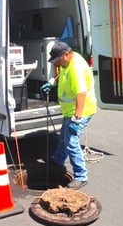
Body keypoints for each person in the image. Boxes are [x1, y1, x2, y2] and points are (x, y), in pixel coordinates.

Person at [41, 41, 97, 189]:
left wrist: (77, 119)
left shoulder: (76, 68)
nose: (57, 63)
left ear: (66, 54)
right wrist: (52, 81)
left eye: (58, 60)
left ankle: (81, 176)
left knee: (71, 143)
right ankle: (58, 160)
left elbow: (81, 93)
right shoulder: (69, 61)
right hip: (71, 110)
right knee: (63, 137)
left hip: (81, 111)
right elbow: (63, 74)